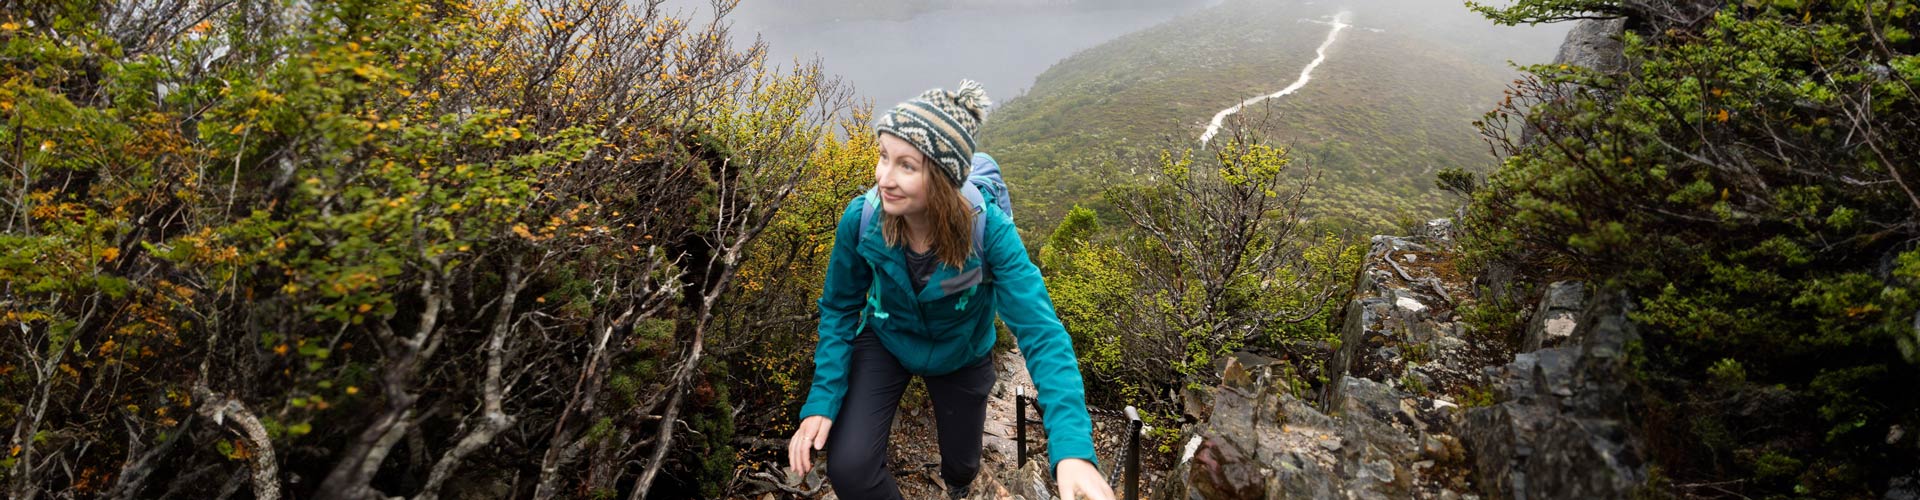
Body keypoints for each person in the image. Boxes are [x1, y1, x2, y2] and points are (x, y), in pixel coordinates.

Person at [786, 80, 1116, 500]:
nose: (884, 178)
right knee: (849, 468)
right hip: (888, 339)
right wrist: (823, 397)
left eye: (906, 165)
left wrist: (1072, 450)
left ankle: (959, 486)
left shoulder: (989, 231)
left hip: (962, 350)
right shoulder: (863, 219)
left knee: (961, 465)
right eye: (883, 157)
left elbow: (1042, 332)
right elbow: (838, 306)